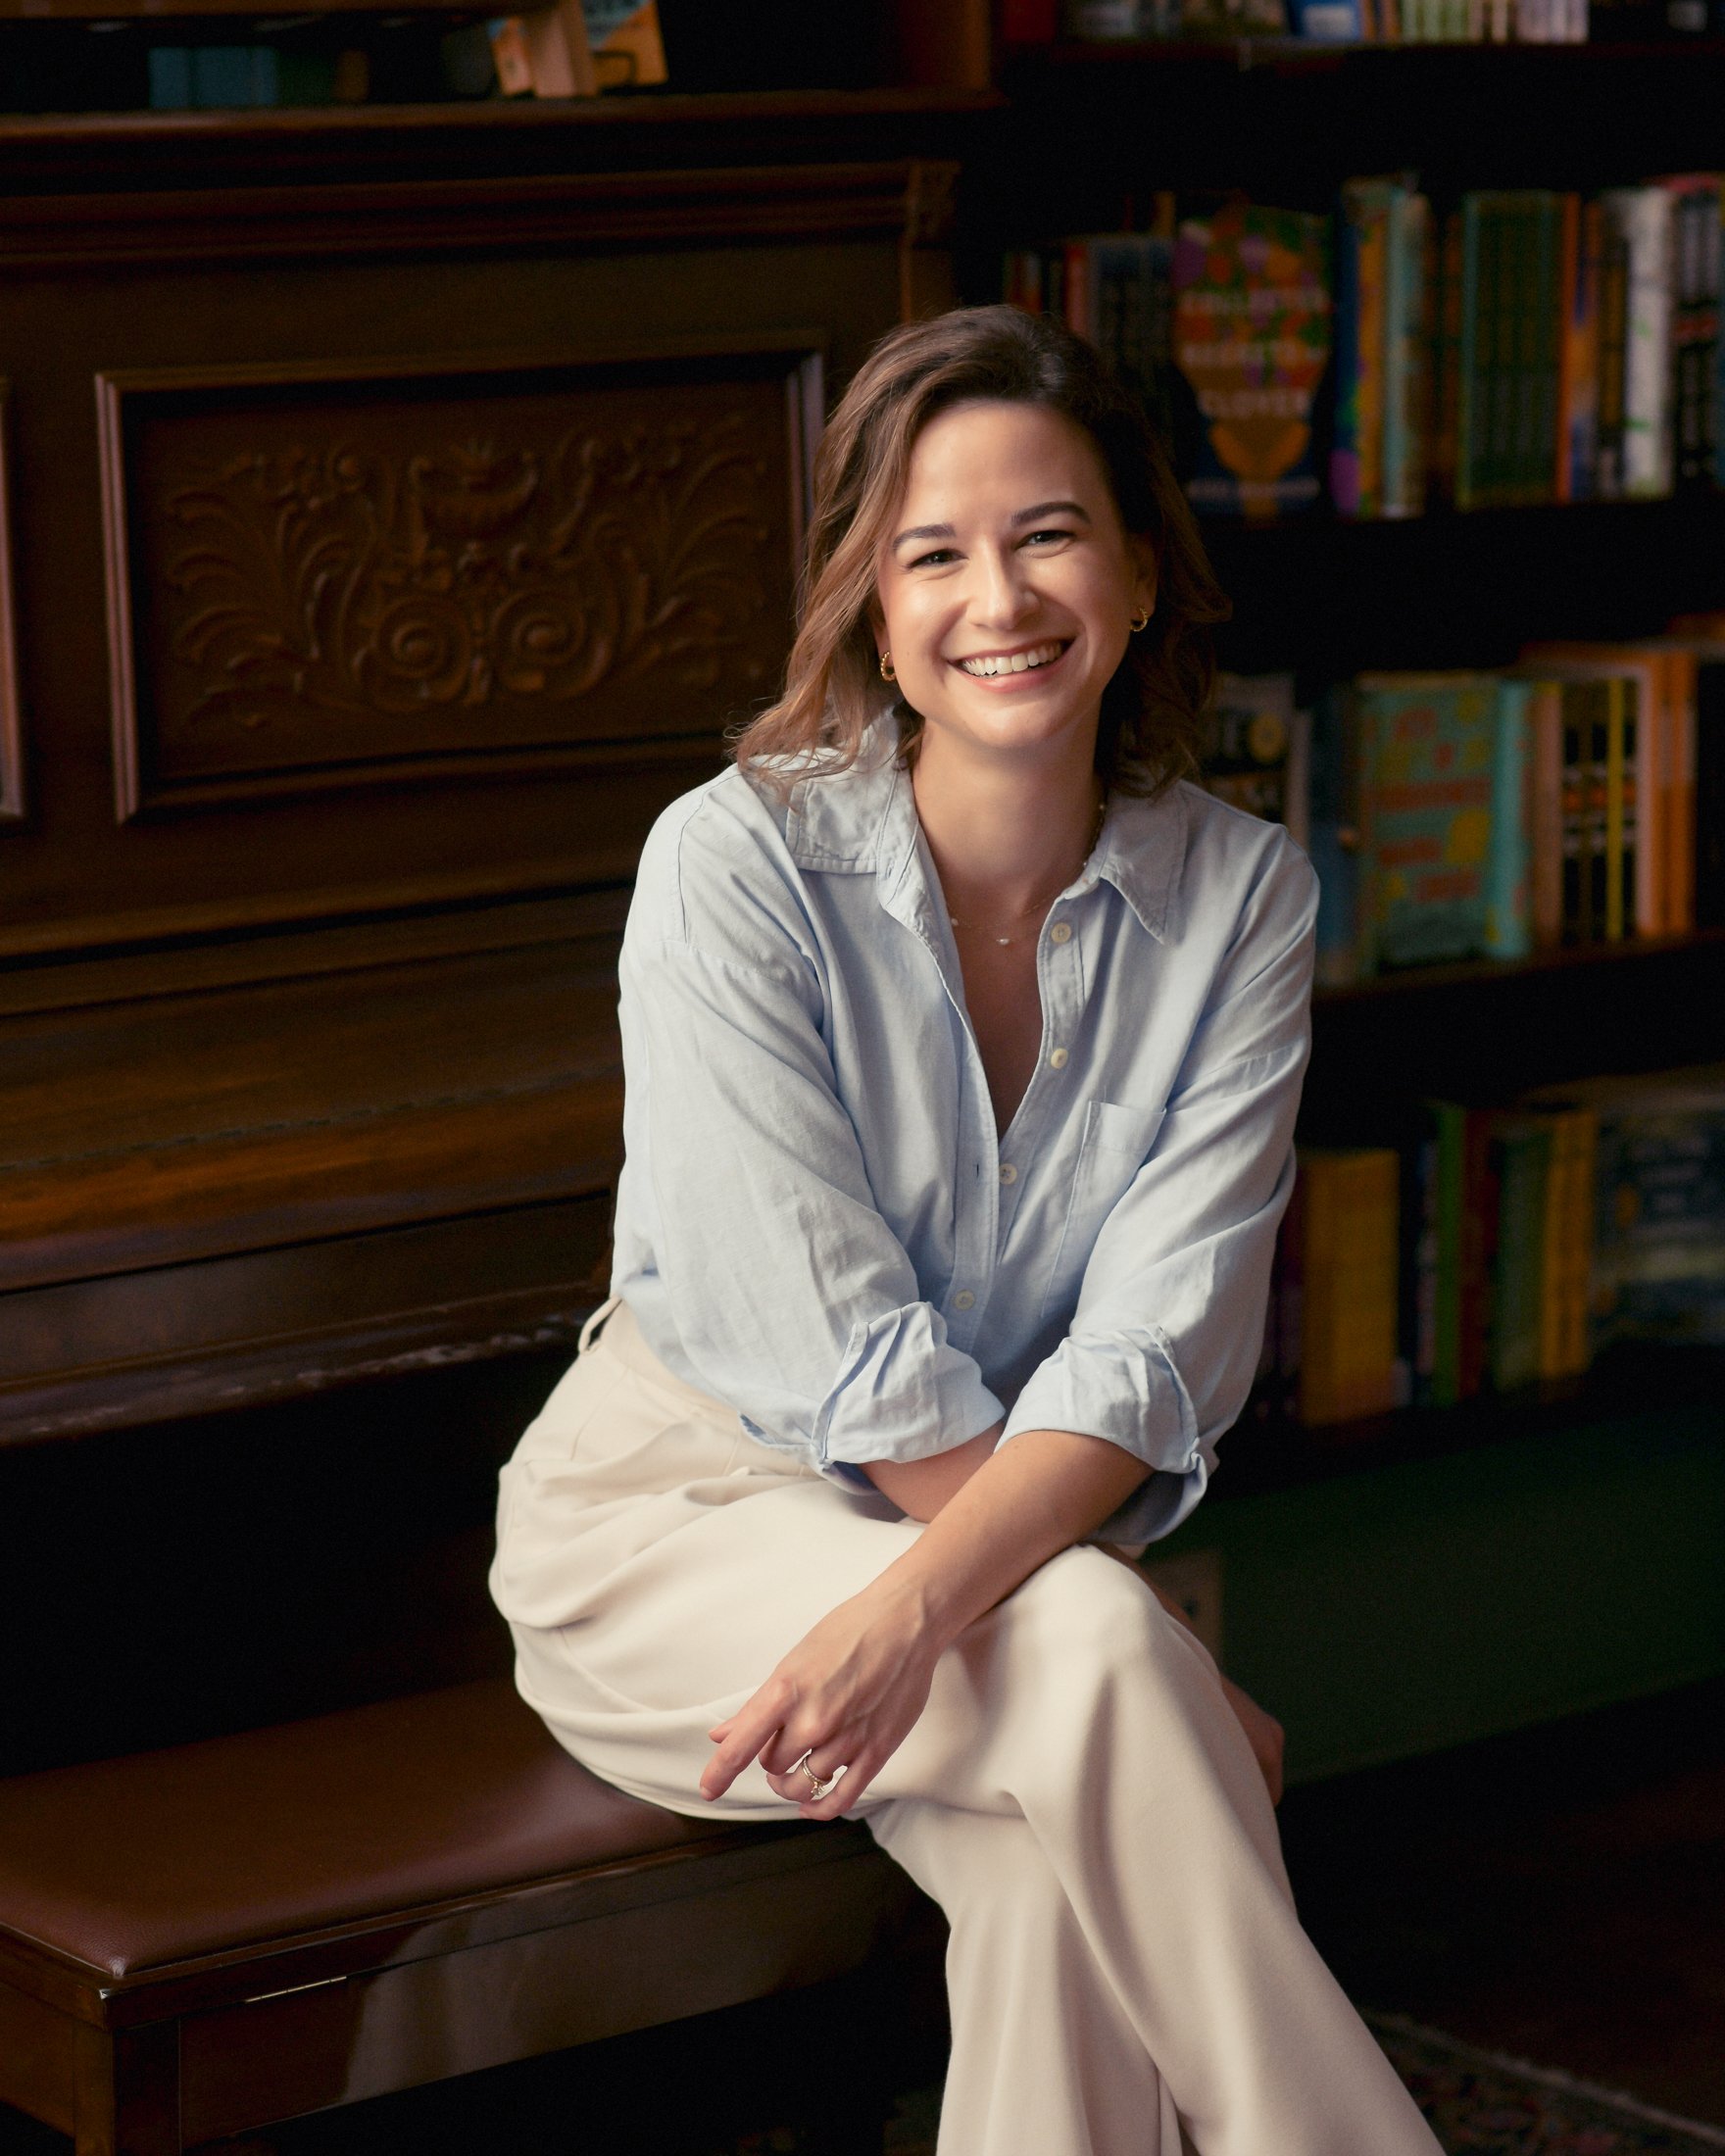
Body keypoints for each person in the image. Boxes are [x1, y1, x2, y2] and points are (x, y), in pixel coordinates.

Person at [490, 304, 1444, 2156]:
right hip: (671, 1534)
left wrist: (931, 1607)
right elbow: (835, 1341)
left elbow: (1158, 1351)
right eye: (933, 550)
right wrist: (1135, 1652)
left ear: (1144, 575)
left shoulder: (1242, 897)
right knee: (1101, 1667)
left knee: (1054, 1875)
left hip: (971, 1573)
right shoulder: (733, 862)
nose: (996, 597)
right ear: (870, 599)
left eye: (1049, 534)